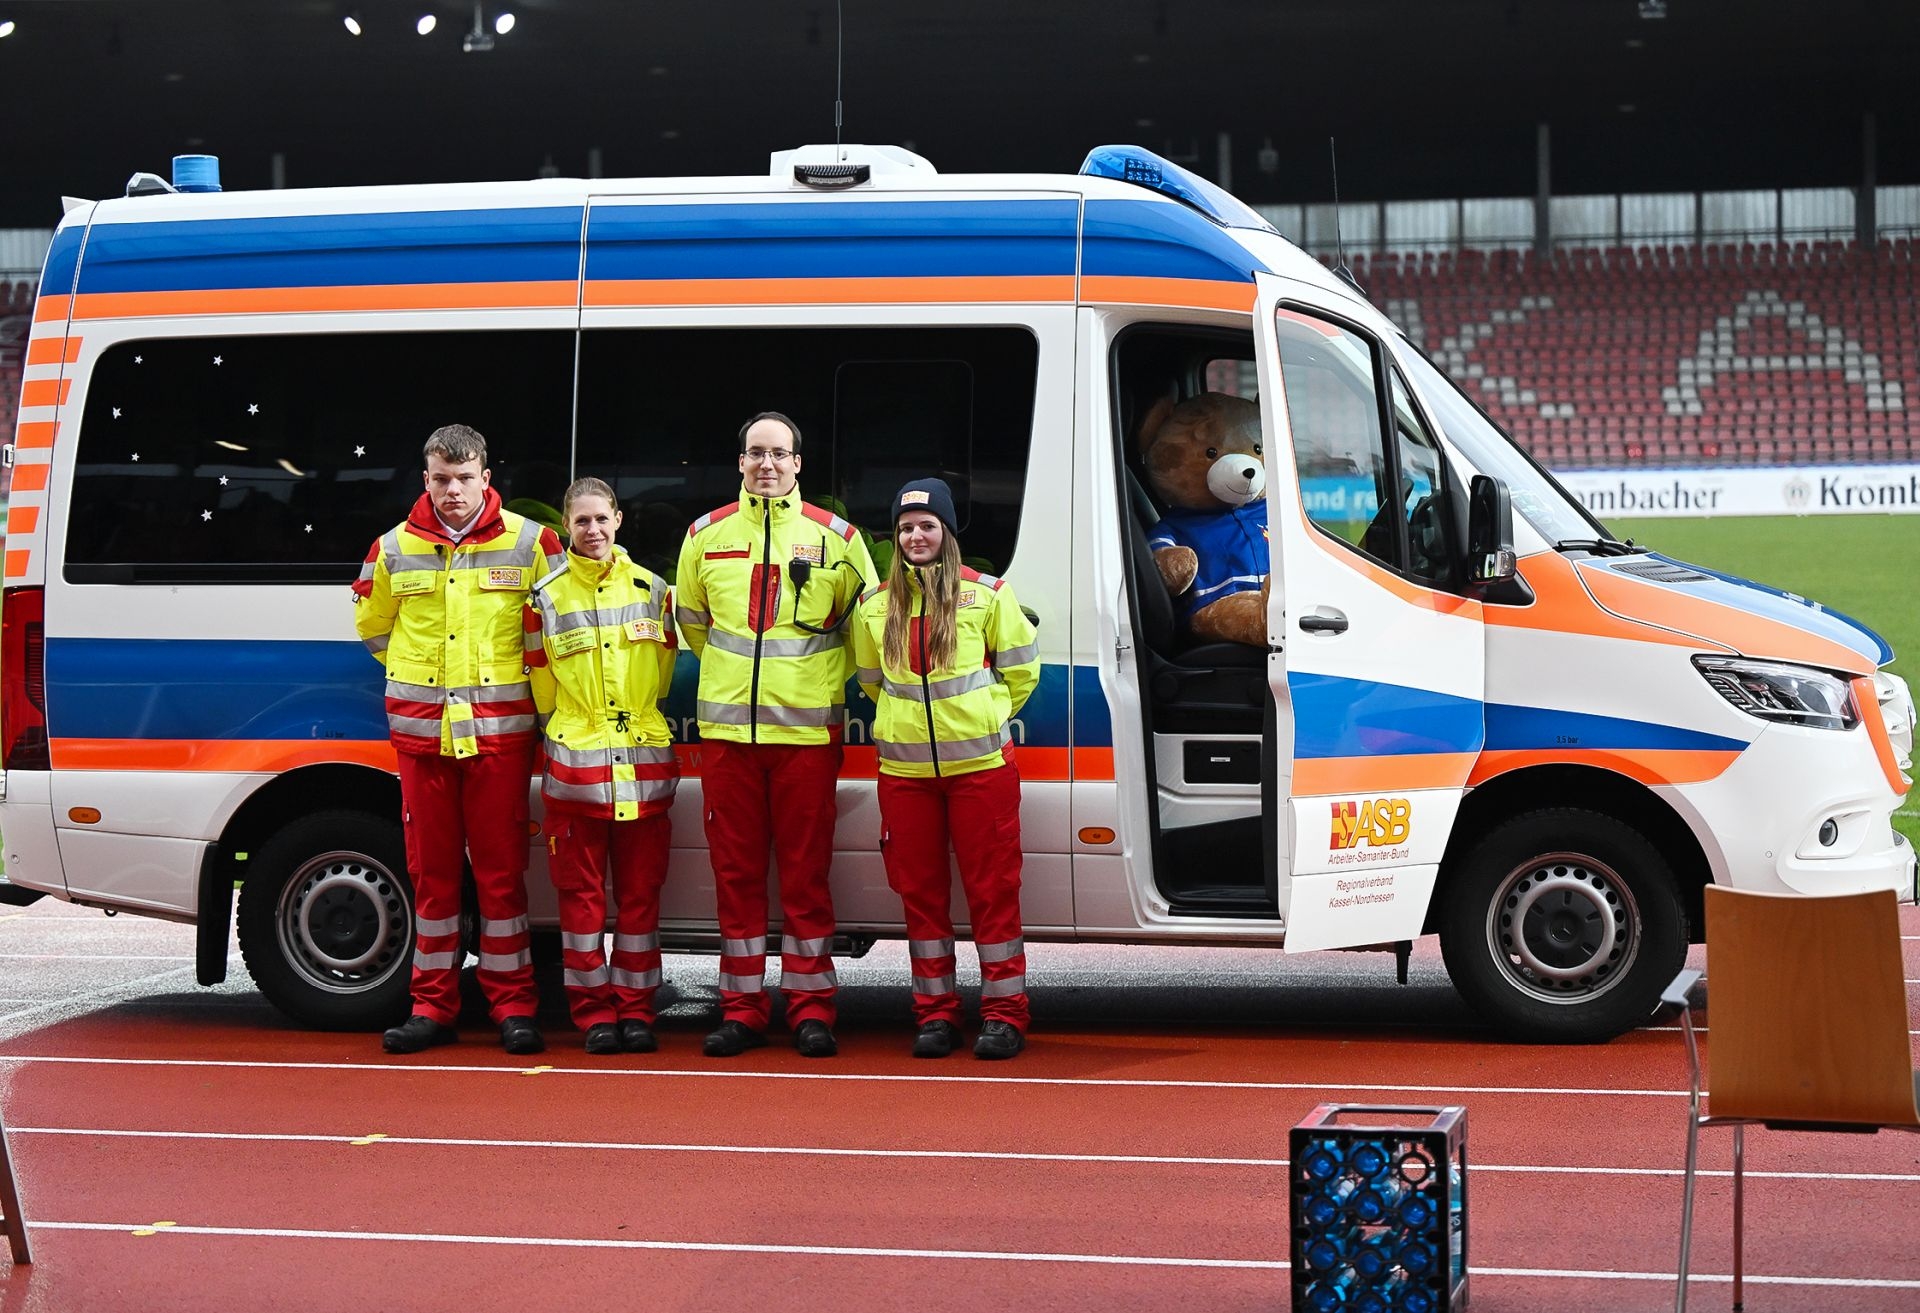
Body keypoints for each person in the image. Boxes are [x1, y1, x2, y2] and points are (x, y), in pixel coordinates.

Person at [352, 424, 566, 1056]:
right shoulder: (391, 549)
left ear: (485, 478)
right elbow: (374, 630)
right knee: (432, 878)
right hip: (424, 740)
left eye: (464, 478)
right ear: (426, 480)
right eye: (442, 479)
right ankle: (431, 1006)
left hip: (500, 739)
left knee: (502, 878)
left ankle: (513, 1006)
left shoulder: (533, 543)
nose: (453, 491)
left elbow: (556, 629)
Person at [674, 412, 874, 1058]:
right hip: (728, 741)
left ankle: (811, 1009)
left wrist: (814, 684)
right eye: (756, 453)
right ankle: (742, 1010)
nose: (767, 464)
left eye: (779, 453)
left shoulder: (838, 540)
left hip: (807, 741)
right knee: (735, 878)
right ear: (740, 462)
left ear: (797, 464)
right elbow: (694, 625)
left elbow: (865, 631)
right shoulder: (704, 536)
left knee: (805, 878)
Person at [851, 478, 1039, 1059]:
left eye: (927, 525)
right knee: (920, 896)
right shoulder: (874, 605)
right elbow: (871, 681)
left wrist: (985, 717)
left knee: (993, 893)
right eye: (905, 527)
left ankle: (1004, 1015)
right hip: (905, 777)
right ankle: (934, 1015)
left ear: (947, 532)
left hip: (981, 770)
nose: (916, 536)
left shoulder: (988, 596)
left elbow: (1022, 673)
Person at [526, 478, 681, 1054]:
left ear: (618, 519)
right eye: (581, 521)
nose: (592, 530)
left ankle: (637, 1011)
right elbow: (542, 689)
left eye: (601, 518)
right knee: (581, 901)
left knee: (641, 899)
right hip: (576, 774)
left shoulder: (653, 589)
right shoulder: (544, 597)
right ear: (567, 526)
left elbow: (661, 679)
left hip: (643, 769)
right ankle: (593, 1015)